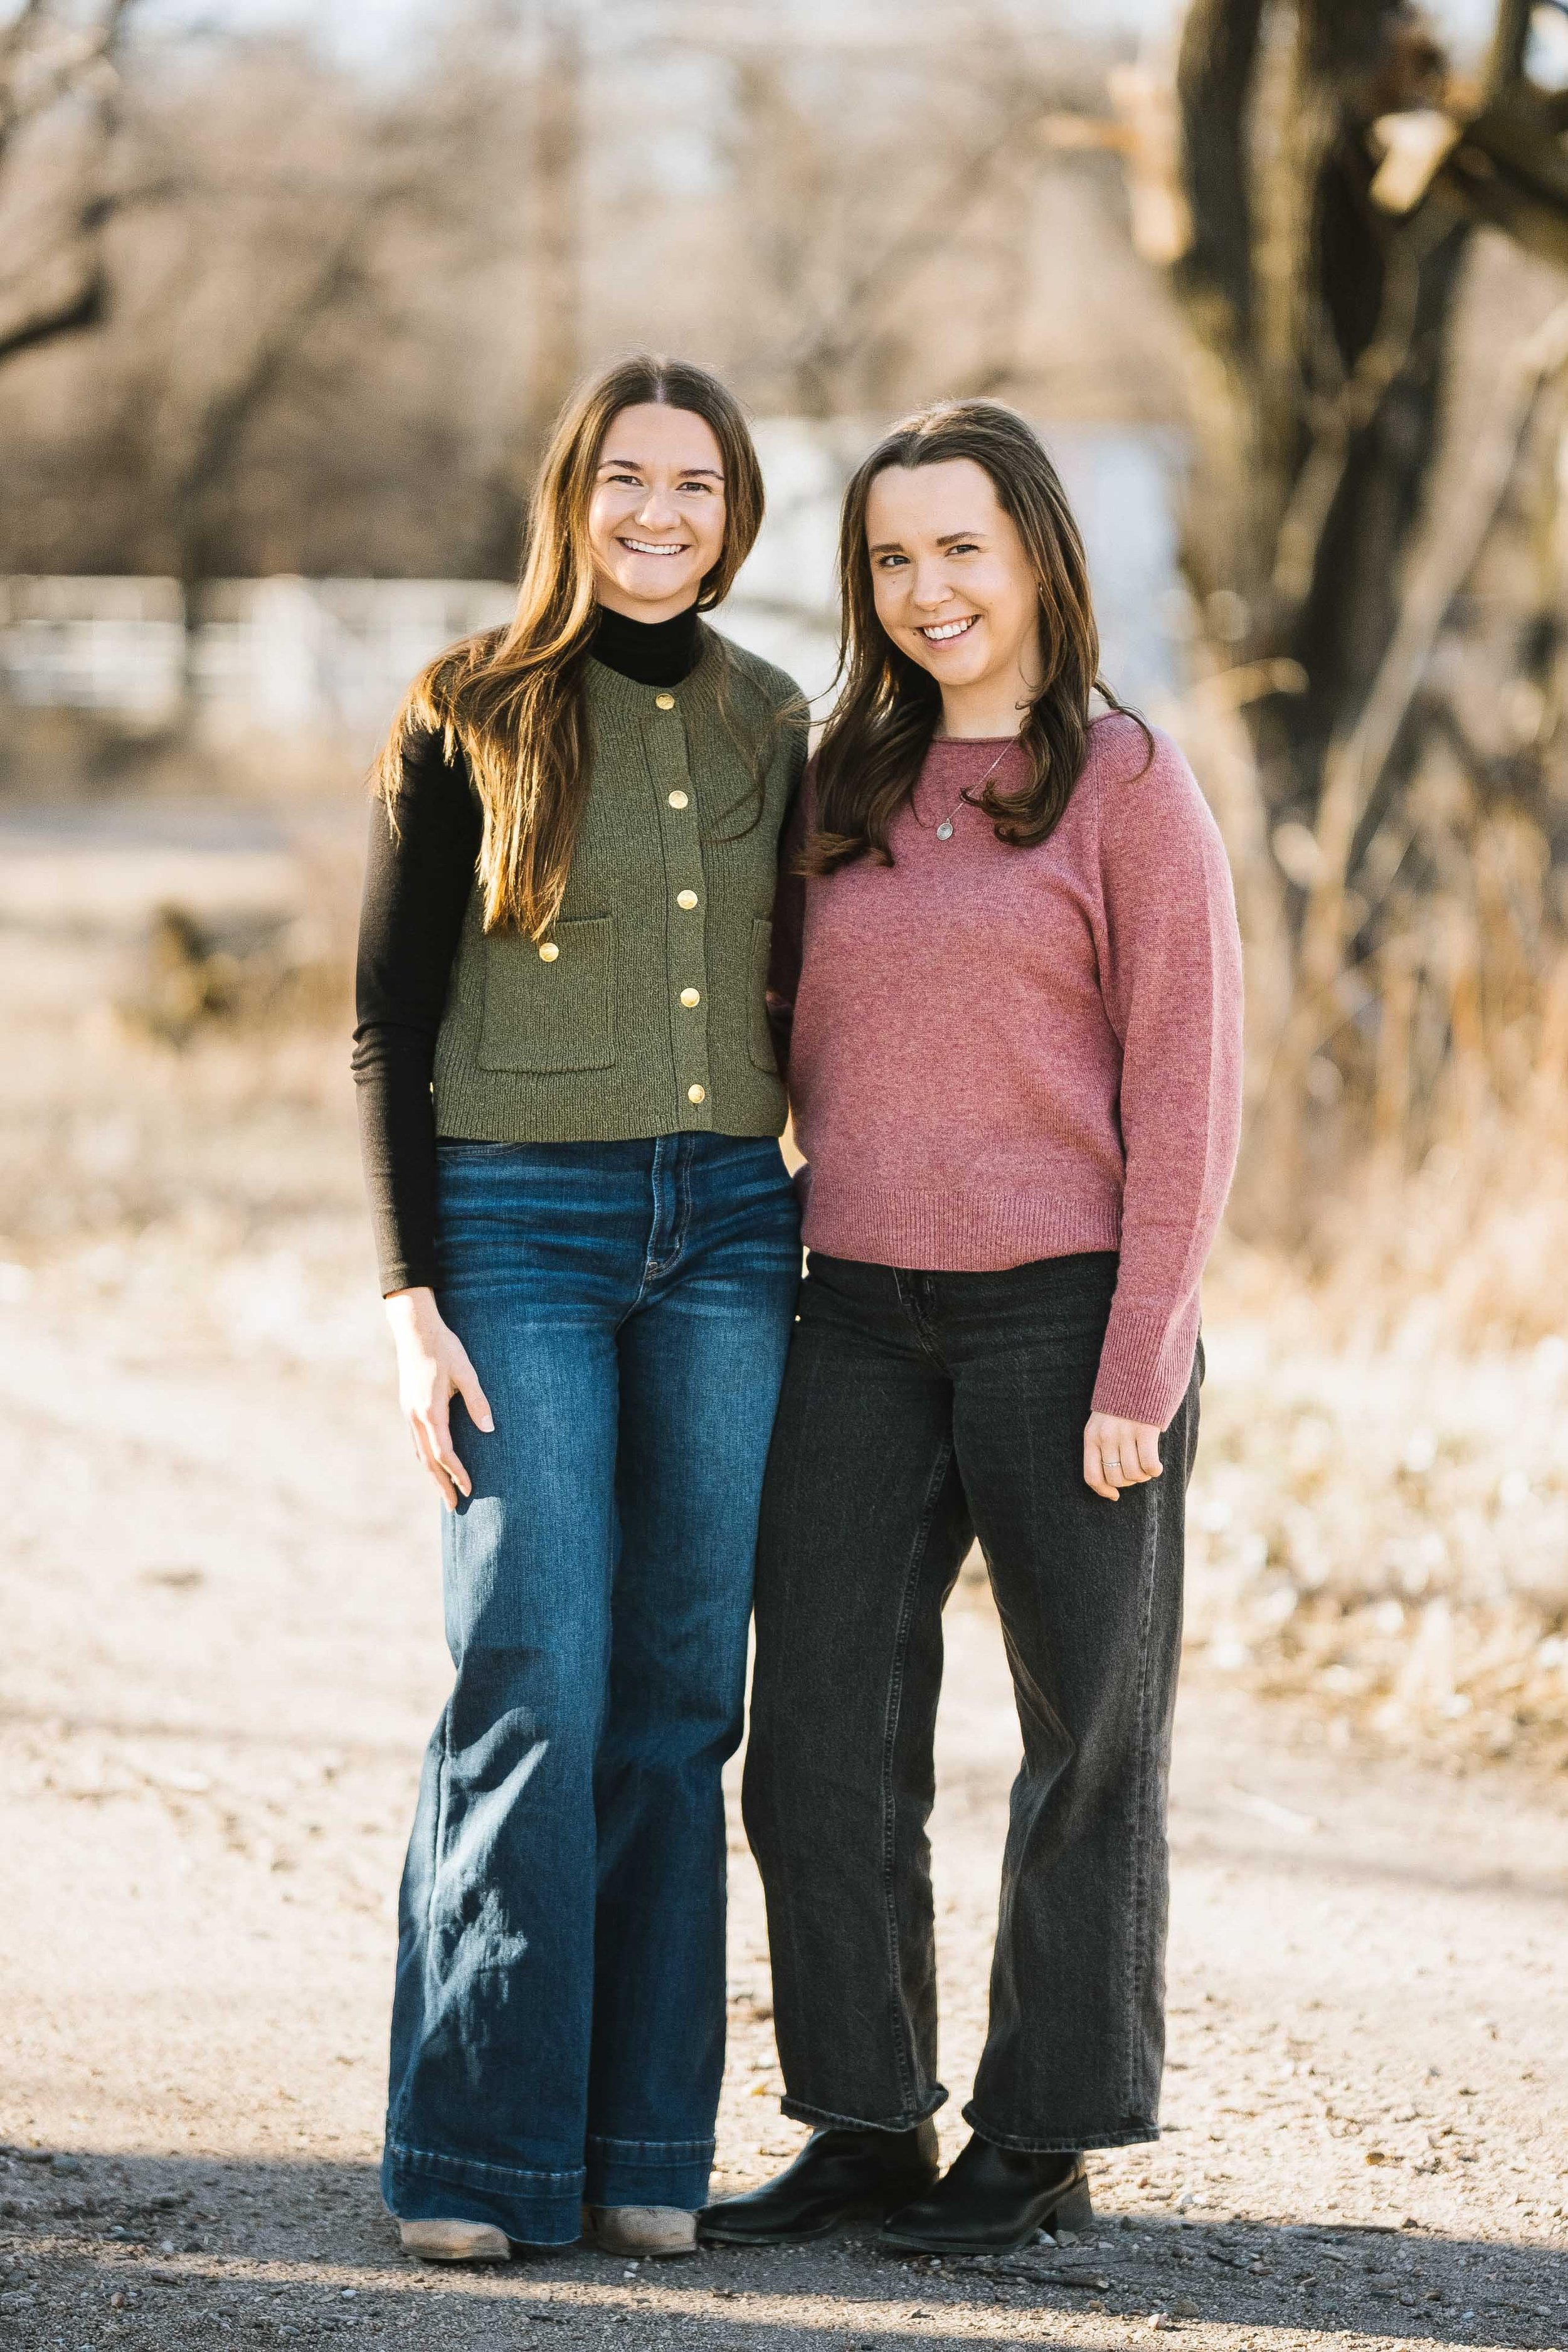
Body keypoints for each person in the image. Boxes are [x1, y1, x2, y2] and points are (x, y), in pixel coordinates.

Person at [701, 398, 1244, 2256]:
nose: (928, 589)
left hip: (1063, 1315)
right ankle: (863, 2120)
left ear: (1033, 557)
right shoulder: (837, 780)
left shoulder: (1124, 782)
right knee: (817, 1735)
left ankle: (1043, 2134)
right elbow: (760, 1037)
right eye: (891, 557)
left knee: (1082, 1734)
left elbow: (1186, 1093)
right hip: (846, 1308)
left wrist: (1139, 1358)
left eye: (961, 548)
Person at [352, 354, 807, 2265]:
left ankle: (639, 2149)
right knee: (528, 1673)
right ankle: (476, 2160)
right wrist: (403, 1290)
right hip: (513, 1226)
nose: (658, 514)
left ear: (735, 512)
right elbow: (387, 1016)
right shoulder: (468, 707)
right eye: (627, 478)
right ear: (572, 495)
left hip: (724, 1231)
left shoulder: (776, 714)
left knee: (679, 1701)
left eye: (694, 486)